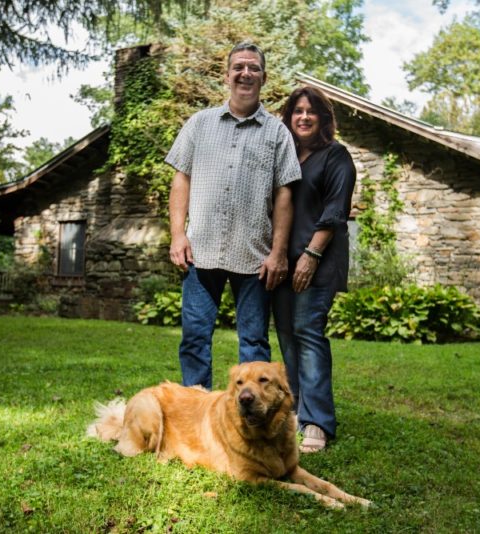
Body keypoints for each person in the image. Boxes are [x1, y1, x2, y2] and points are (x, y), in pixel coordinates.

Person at [164, 42, 301, 390]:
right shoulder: (199, 124)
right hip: (201, 251)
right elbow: (181, 178)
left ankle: (251, 417)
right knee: (195, 337)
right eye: (238, 67)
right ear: (227, 76)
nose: (245, 73)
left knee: (254, 344)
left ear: (263, 77)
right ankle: (197, 410)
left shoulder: (277, 133)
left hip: (254, 257)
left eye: (253, 68)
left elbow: (285, 194)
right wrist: (178, 235)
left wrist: (278, 253)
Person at [272, 86, 356, 453]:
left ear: (322, 118)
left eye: (311, 111)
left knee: (307, 332)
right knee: (287, 336)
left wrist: (310, 256)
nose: (303, 116)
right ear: (289, 117)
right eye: (297, 111)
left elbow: (335, 211)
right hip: (281, 264)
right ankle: (295, 412)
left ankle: (318, 422)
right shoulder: (286, 156)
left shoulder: (335, 156)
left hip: (317, 263)